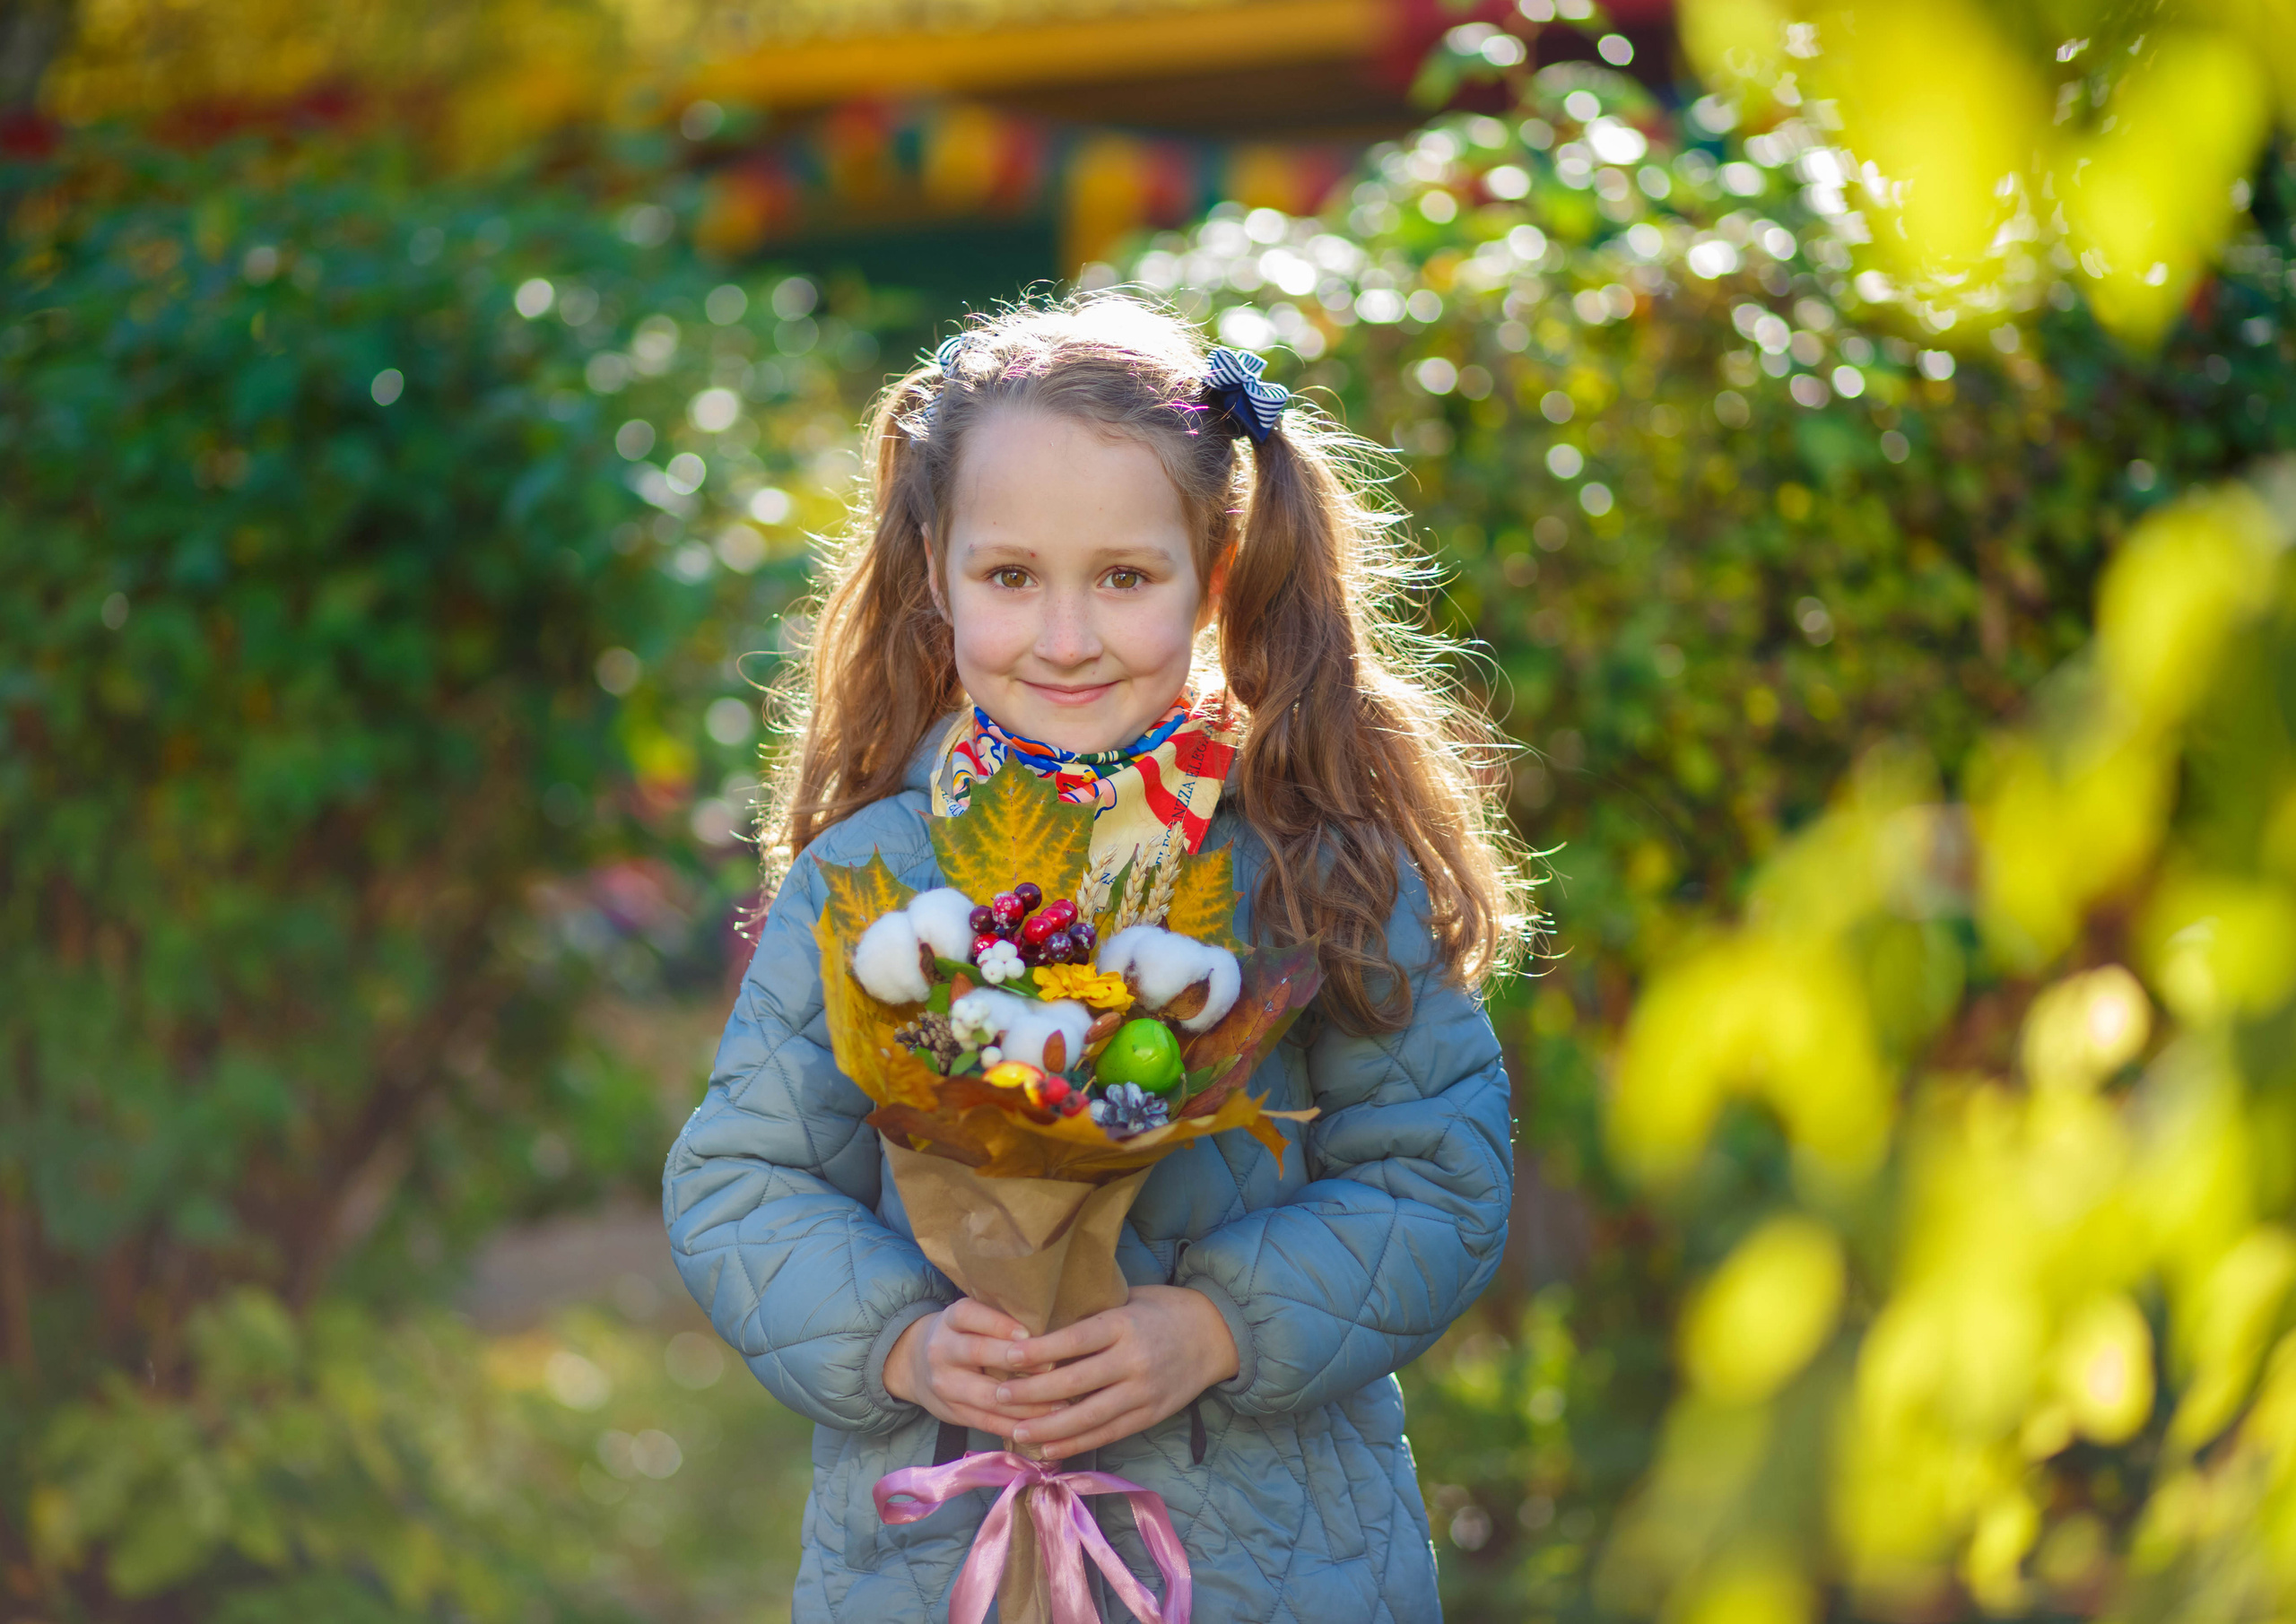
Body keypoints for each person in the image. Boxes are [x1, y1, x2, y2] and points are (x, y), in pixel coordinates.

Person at [664, 294, 1532, 1621]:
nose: (1065, 638)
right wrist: (901, 1343)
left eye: (1124, 578)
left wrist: (1220, 1326)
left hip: (1275, 1561)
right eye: (1011, 577)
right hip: (933, 1556)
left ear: (1216, 576)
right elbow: (745, 1182)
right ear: (936, 575)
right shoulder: (872, 876)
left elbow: (1439, 1170)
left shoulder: (1308, 861)